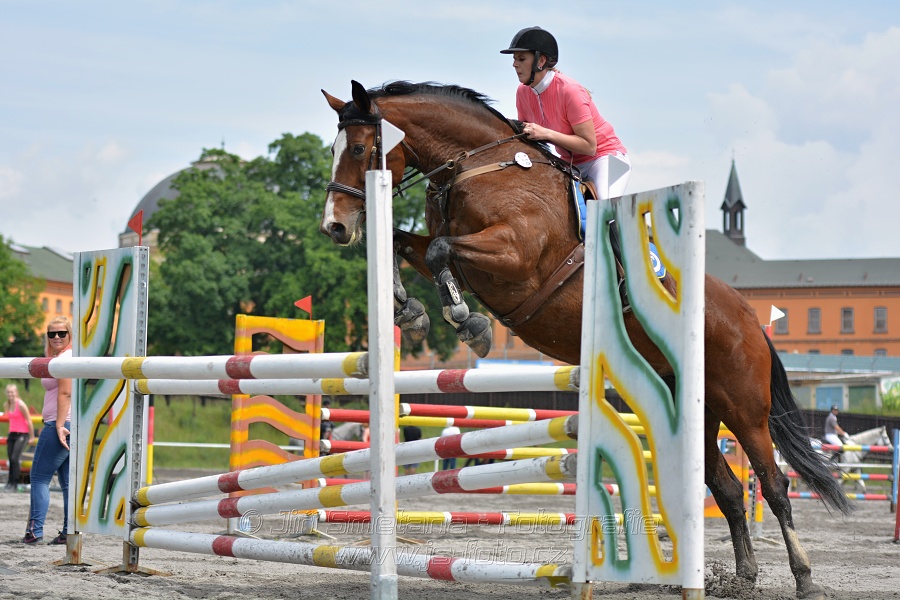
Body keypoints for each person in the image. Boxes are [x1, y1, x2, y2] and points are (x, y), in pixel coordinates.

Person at [501, 26, 631, 200]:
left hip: (604, 158)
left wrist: (545, 133)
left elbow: (589, 146)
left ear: (541, 61)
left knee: (603, 209)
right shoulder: (522, 92)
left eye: (521, 58)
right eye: (514, 59)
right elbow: (527, 138)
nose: (514, 64)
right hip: (570, 164)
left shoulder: (570, 91)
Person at [23, 316, 72, 545]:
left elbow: (65, 393)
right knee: (67, 483)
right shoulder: (63, 357)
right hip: (69, 424)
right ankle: (69, 532)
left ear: (70, 334)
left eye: (62, 333)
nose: (56, 337)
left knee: (39, 478)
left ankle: (35, 531)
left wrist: (59, 426)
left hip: (58, 425)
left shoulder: (65, 360)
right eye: (52, 334)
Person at [4, 383, 36, 492]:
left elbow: (29, 420)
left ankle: (15, 483)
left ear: (16, 393)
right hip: (12, 434)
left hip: (22, 434)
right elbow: (10, 417)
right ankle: (9, 482)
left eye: (12, 392)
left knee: (15, 458)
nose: (10, 394)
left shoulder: (21, 404)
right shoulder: (7, 404)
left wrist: (32, 436)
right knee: (10, 459)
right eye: (9, 392)